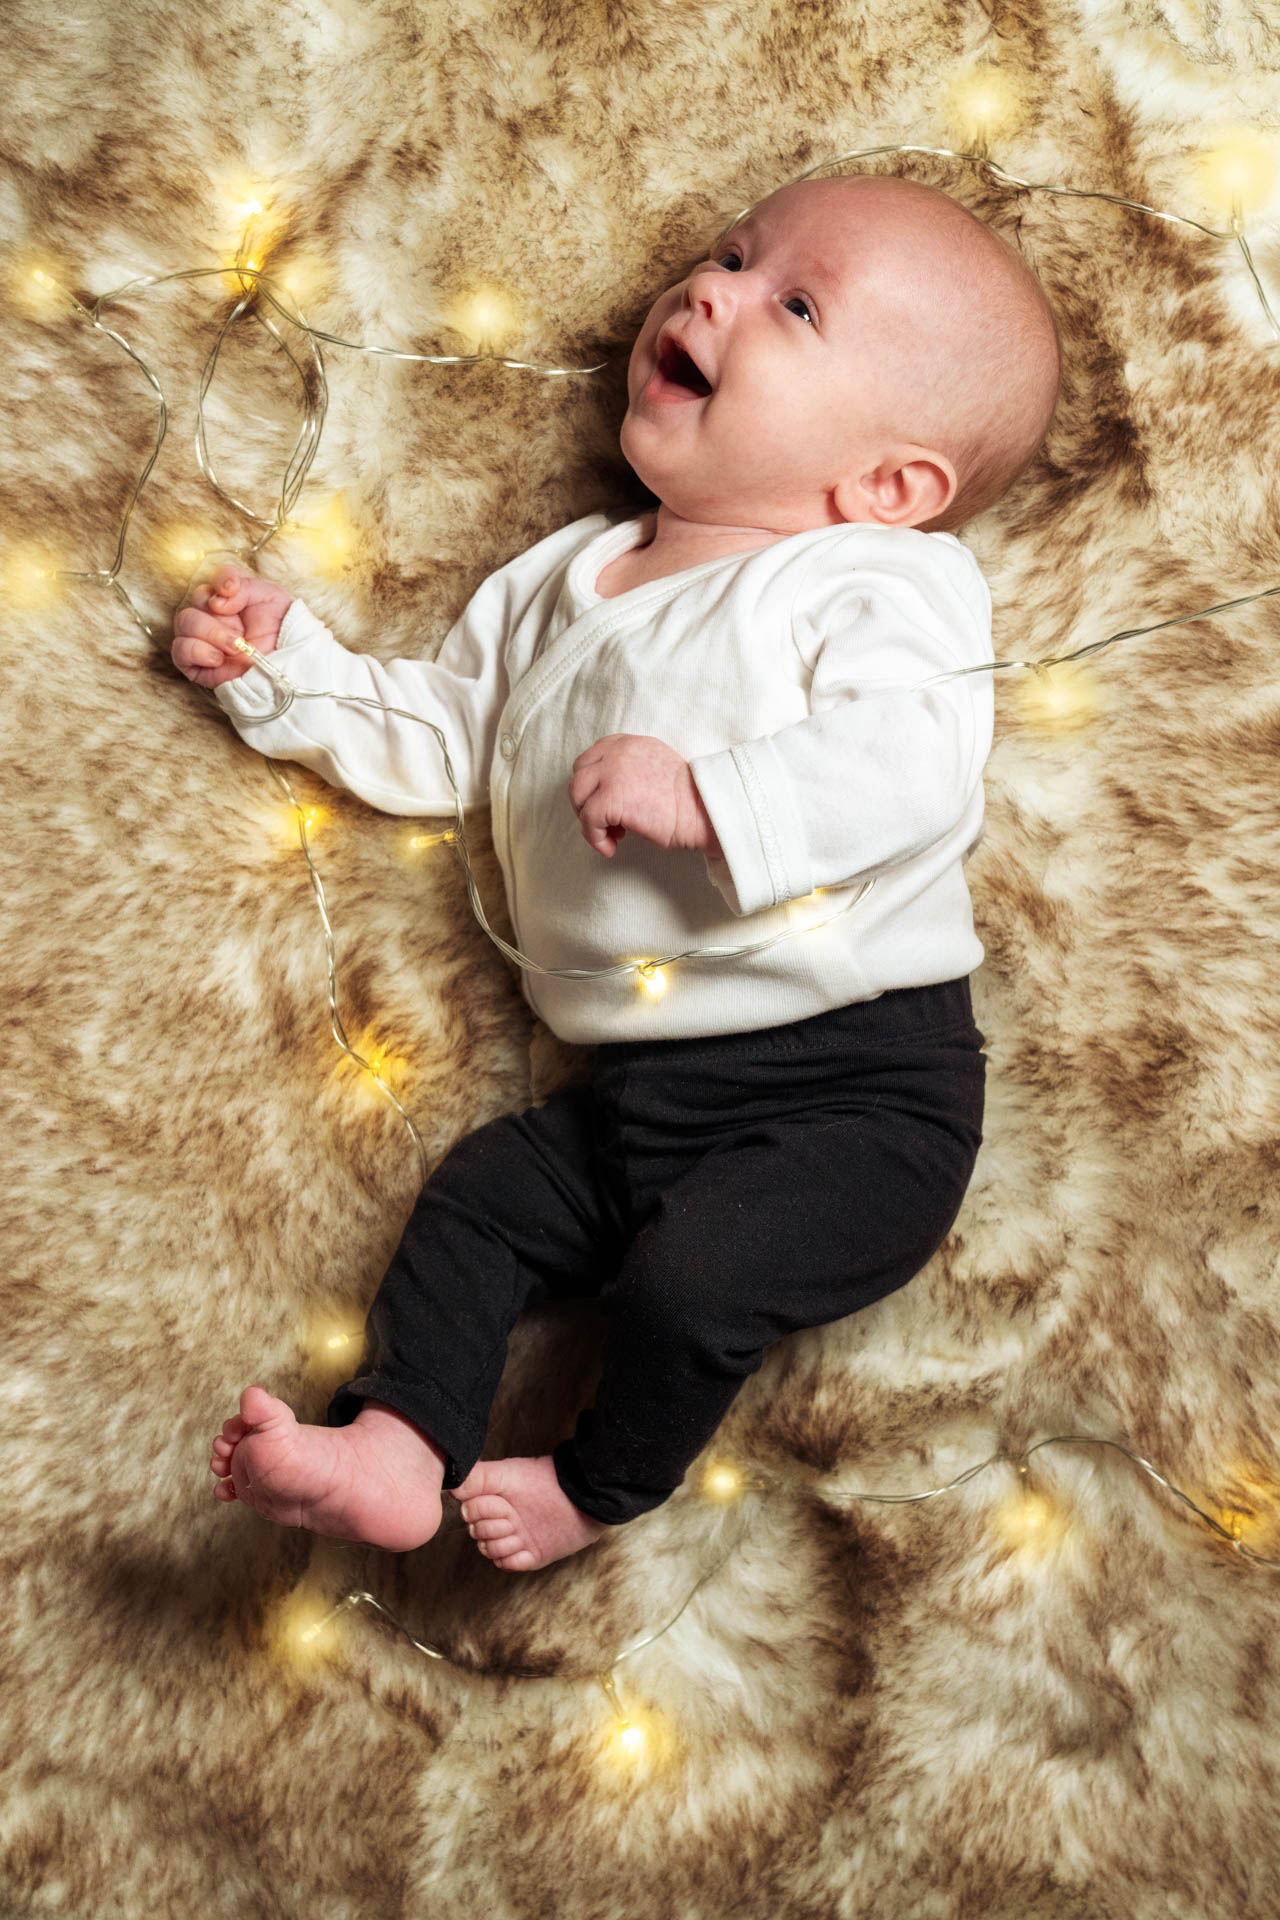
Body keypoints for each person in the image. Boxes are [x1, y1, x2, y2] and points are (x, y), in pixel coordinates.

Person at [174, 173, 1061, 1571]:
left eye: (796, 305)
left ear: (890, 486)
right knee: (479, 1201)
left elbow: (913, 759)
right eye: (730, 254)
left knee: (691, 1281)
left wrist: (713, 796)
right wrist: (287, 673)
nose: (713, 292)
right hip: (633, 1095)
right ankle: (398, 1442)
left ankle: (605, 1484)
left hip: (856, 1093)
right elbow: (451, 737)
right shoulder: (563, 582)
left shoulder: (872, 583)